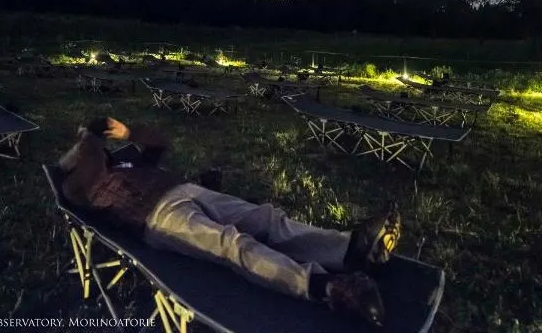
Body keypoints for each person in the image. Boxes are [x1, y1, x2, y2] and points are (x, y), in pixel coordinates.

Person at [59, 117, 401, 327]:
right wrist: (88, 135)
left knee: (266, 218)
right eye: (77, 153)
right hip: (158, 218)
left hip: (184, 189)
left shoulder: (128, 166)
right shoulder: (83, 186)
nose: (80, 151)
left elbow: (161, 142)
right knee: (232, 244)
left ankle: (351, 249)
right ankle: (327, 286)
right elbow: (81, 166)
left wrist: (129, 131)